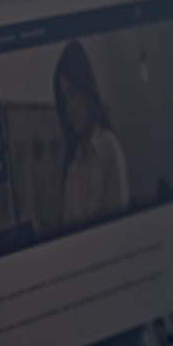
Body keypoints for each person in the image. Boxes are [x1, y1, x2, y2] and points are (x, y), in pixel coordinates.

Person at [53, 39, 131, 227]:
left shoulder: (108, 147)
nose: (68, 110)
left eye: (72, 96)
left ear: (86, 91)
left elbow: (120, 225)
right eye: (64, 102)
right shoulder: (73, 164)